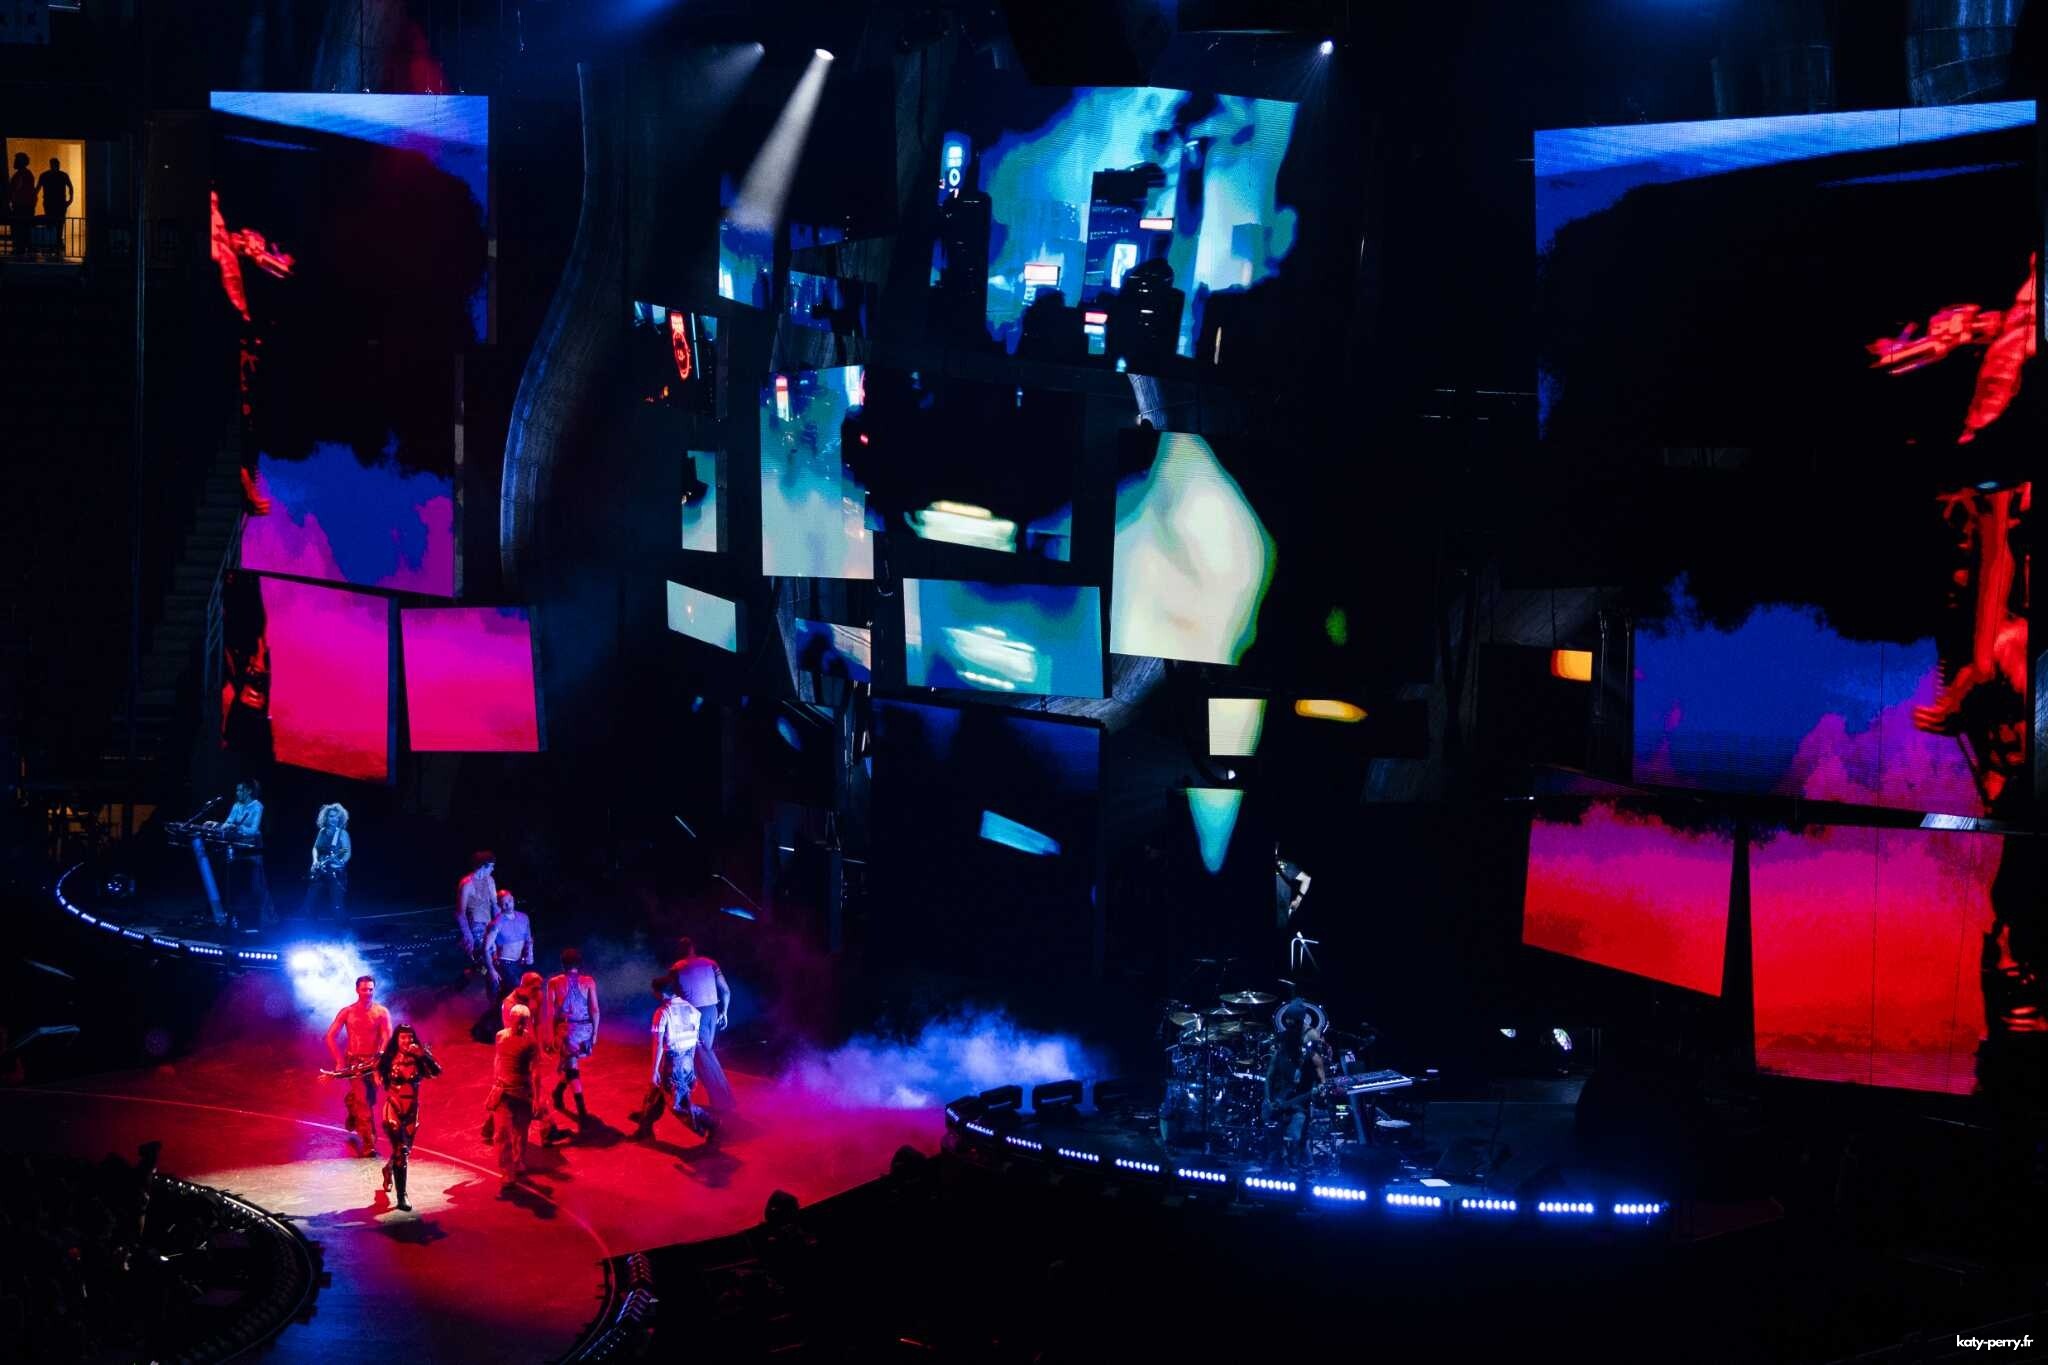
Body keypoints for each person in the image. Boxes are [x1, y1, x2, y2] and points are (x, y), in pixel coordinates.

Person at [633, 977, 716, 1142]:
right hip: (686, 1060)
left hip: (673, 1063)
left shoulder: (663, 1012)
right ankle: (644, 1129)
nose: (653, 994)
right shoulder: (692, 1010)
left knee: (678, 1104)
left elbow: (658, 1044)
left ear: (660, 993)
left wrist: (655, 1070)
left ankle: (712, 1124)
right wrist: (690, 1068)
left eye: (654, 991)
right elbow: (693, 1042)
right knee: (654, 1095)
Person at [324, 975, 392, 1158]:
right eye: (364, 989)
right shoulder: (347, 1012)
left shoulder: (381, 1012)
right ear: (357, 990)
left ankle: (351, 1104)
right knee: (364, 1103)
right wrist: (339, 1060)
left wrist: (381, 1055)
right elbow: (330, 1036)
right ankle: (369, 1142)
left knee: (369, 1100)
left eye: (370, 989)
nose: (368, 993)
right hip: (355, 1063)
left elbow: (387, 1035)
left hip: (374, 1063)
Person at [375, 1025, 441, 1211]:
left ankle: (389, 1169)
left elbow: (436, 1072)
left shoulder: (419, 1057)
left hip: (412, 1110)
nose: (407, 1041)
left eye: (410, 1037)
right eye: (403, 1037)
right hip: (393, 1108)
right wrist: (376, 1075)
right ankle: (401, 1196)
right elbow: (370, 1068)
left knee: (404, 1151)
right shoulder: (388, 1058)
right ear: (397, 1040)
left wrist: (423, 1055)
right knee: (401, 1151)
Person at [669, 936, 735, 1110]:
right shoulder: (710, 963)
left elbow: (674, 994)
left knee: (703, 1057)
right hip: (711, 1011)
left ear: (680, 950)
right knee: (703, 1054)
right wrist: (724, 1011)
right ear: (693, 948)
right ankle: (718, 1100)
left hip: (693, 1014)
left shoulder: (677, 967)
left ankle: (724, 1101)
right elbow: (726, 990)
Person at [1263, 1001, 1326, 1172]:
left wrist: (1321, 1086)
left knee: (1296, 1138)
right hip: (1279, 1098)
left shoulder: (1310, 1040)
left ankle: (1302, 1168)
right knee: (1274, 1135)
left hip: (1299, 1102)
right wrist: (1268, 1100)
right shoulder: (1281, 1049)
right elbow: (1269, 1077)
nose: (1289, 1024)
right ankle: (1280, 1161)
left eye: (1293, 1021)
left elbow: (1319, 1068)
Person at [484, 1004, 541, 1188]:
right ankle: (507, 1171)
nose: (519, 1025)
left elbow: (535, 1072)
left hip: (522, 1093)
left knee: (520, 1131)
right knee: (501, 1133)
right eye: (517, 1021)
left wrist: (536, 1098)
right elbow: (498, 1059)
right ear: (510, 1019)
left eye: (523, 1022)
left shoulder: (530, 1042)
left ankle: (518, 1160)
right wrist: (496, 1081)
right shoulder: (500, 1036)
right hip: (503, 1093)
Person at [544, 947, 601, 1131]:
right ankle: (562, 1097)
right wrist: (594, 1034)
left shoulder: (554, 982)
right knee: (570, 1066)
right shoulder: (588, 981)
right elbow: (595, 1010)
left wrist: (550, 1035)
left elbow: (551, 1012)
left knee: (570, 1067)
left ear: (563, 964)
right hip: (584, 1029)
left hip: (567, 1030)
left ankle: (580, 1111)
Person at [219, 779, 273, 929]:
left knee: (255, 885)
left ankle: (263, 919)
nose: (237, 793)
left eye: (240, 790)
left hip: (252, 849)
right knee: (236, 883)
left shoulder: (257, 806)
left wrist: (237, 827)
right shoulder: (237, 805)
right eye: (237, 790)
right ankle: (236, 917)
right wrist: (224, 825)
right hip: (237, 847)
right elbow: (227, 823)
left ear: (249, 791)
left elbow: (253, 830)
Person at [483, 889, 534, 1001]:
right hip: (504, 964)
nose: (508, 905)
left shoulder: (524, 918)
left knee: (513, 995)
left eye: (509, 901)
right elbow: (486, 949)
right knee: (516, 993)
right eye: (504, 903)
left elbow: (529, 939)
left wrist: (530, 954)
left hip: (519, 963)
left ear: (513, 899)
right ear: (499, 905)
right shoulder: (497, 923)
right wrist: (491, 970)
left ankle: (497, 1009)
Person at [303, 804, 351, 920]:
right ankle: (311, 926)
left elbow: (346, 852)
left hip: (336, 873)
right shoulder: (322, 831)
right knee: (311, 900)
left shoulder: (342, 833)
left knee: (337, 903)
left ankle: (343, 928)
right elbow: (315, 848)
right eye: (331, 816)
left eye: (336, 817)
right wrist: (315, 861)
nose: (334, 819)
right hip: (321, 871)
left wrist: (341, 863)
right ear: (326, 818)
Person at [456, 852, 498, 970]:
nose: (493, 869)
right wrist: (468, 935)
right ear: (483, 866)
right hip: (475, 928)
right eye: (491, 866)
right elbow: (460, 913)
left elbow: (495, 905)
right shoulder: (467, 884)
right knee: (484, 964)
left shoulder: (490, 881)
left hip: (489, 925)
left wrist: (501, 924)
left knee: (493, 961)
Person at [36, 157, 71, 261]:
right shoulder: (63, 175)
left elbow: (37, 188)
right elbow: (70, 187)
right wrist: (70, 200)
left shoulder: (45, 175)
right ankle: (56, 244)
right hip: (59, 204)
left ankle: (53, 243)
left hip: (51, 203)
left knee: (52, 223)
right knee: (58, 223)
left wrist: (33, 199)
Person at [6, 154, 34, 259]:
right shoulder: (25, 174)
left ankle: (20, 249)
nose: (14, 162)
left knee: (19, 228)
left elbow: (16, 189)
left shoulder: (22, 175)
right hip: (24, 206)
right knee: (23, 228)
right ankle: (22, 248)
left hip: (21, 206)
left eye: (16, 160)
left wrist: (11, 197)